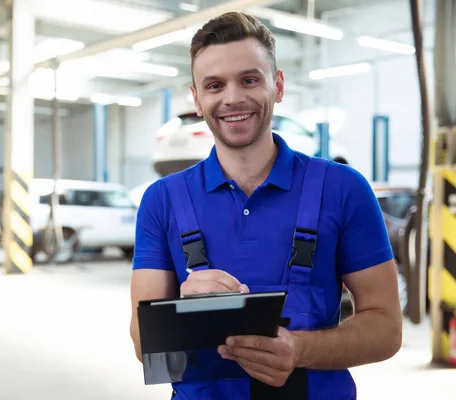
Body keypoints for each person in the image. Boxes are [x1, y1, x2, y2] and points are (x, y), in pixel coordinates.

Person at [129, 11, 402, 400]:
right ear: (196, 97)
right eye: (214, 85)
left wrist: (302, 350)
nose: (232, 98)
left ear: (277, 85)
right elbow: (144, 348)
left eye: (250, 80)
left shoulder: (344, 189)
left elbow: (387, 328)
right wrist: (179, 309)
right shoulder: (162, 201)